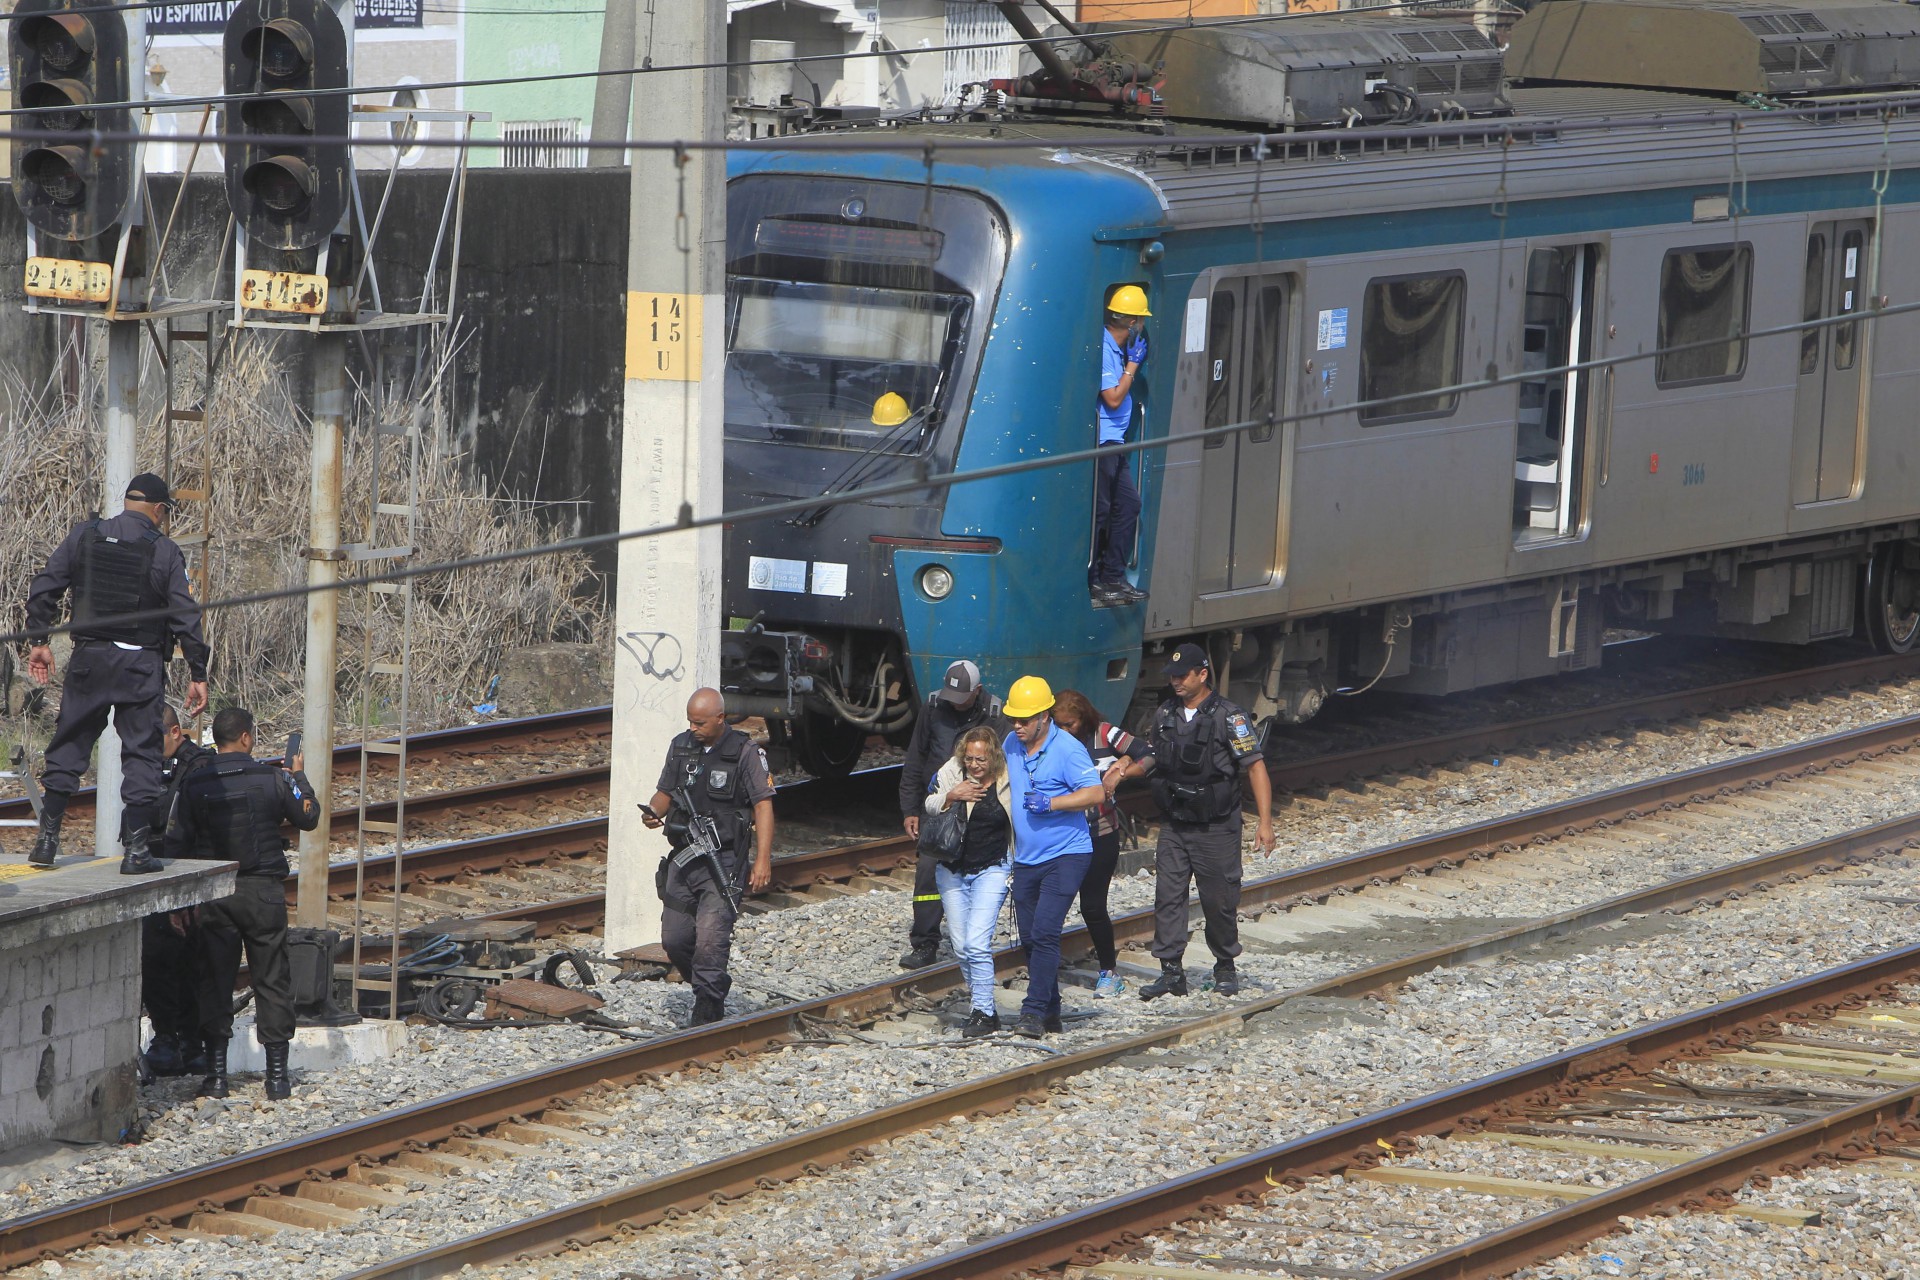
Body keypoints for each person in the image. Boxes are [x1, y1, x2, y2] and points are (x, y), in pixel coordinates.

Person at [22, 473, 210, 873]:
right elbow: (184, 615)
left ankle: (46, 842)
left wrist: (38, 639)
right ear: (159, 510)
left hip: (90, 657)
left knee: (69, 741)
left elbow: (45, 586)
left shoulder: (84, 535)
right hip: (139, 664)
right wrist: (198, 670)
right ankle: (138, 851)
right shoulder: (163, 551)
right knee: (142, 750)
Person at [1111, 643, 1275, 1001]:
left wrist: (1265, 822)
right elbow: (1153, 757)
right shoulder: (1165, 713)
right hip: (1175, 823)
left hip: (1216, 826)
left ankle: (1225, 966)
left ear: (1203, 675)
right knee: (1168, 897)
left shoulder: (1229, 716)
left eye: (1182, 675)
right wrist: (1125, 771)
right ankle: (1171, 972)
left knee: (1219, 899)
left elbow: (1255, 766)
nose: (1175, 682)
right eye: (1171, 676)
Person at [172, 707, 320, 1100]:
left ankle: (217, 1076)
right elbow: (309, 817)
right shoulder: (273, 778)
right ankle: (276, 1079)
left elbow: (178, 844)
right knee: (272, 979)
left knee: (215, 981)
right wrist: (297, 775)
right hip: (263, 892)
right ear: (247, 738)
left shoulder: (195, 782)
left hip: (215, 895)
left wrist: (180, 904)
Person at [641, 688, 776, 1027]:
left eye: (700, 722)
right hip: (684, 858)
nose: (693, 727)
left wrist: (762, 860)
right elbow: (666, 791)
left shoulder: (745, 752)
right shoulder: (682, 745)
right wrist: (654, 811)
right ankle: (707, 983)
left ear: (720, 718)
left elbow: (763, 805)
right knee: (675, 939)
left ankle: (707, 1005)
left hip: (723, 862)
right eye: (690, 721)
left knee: (711, 940)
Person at [1001, 675, 1106, 1038]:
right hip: (1026, 858)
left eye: (1024, 719)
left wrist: (1053, 803)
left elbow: (1095, 795)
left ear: (1044, 716)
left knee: (1045, 933)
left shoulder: (1068, 749)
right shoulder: (1012, 744)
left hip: (1067, 854)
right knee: (1029, 938)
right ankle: (1052, 1011)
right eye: (1013, 718)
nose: (1017, 725)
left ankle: (1031, 1014)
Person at [895, 659, 1005, 970]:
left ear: (978, 691)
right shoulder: (933, 707)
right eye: (950, 697)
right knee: (927, 873)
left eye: (962, 698)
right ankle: (925, 942)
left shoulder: (995, 714)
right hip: (940, 805)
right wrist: (910, 809)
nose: (954, 704)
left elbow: (1005, 765)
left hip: (980, 810)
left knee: (976, 875)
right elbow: (915, 759)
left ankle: (971, 943)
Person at [1051, 689, 1149, 999]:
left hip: (1101, 833)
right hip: (1062, 836)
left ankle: (1109, 972)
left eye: (1070, 724)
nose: (1065, 730)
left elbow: (1149, 753)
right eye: (1059, 724)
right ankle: (1044, 966)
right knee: (1052, 904)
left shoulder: (1105, 734)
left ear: (1083, 718)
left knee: (1092, 905)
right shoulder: (1051, 740)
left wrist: (1120, 771)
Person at [923, 726, 1016, 1037]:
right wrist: (952, 795)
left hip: (993, 867)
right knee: (962, 946)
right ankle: (983, 1008)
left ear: (994, 757)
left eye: (981, 759)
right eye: (970, 758)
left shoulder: (1007, 777)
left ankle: (983, 1011)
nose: (974, 765)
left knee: (977, 943)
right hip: (952, 868)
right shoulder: (952, 771)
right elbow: (929, 804)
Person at [142, 705, 214, 1076]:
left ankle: (192, 1039)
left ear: (176, 732)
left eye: (159, 742)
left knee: (192, 962)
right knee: (156, 960)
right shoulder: (145, 763)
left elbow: (198, 829)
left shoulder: (199, 766)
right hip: (152, 873)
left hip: (188, 874)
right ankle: (165, 1036)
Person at [1092, 286, 1151, 607]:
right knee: (1101, 512)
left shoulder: (1116, 350)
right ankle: (1095, 579)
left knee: (1128, 505)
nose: (1140, 327)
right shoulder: (1104, 350)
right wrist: (1132, 368)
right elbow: (1113, 398)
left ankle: (1113, 576)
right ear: (1129, 322)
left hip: (1115, 442)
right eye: (1139, 321)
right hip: (1103, 444)